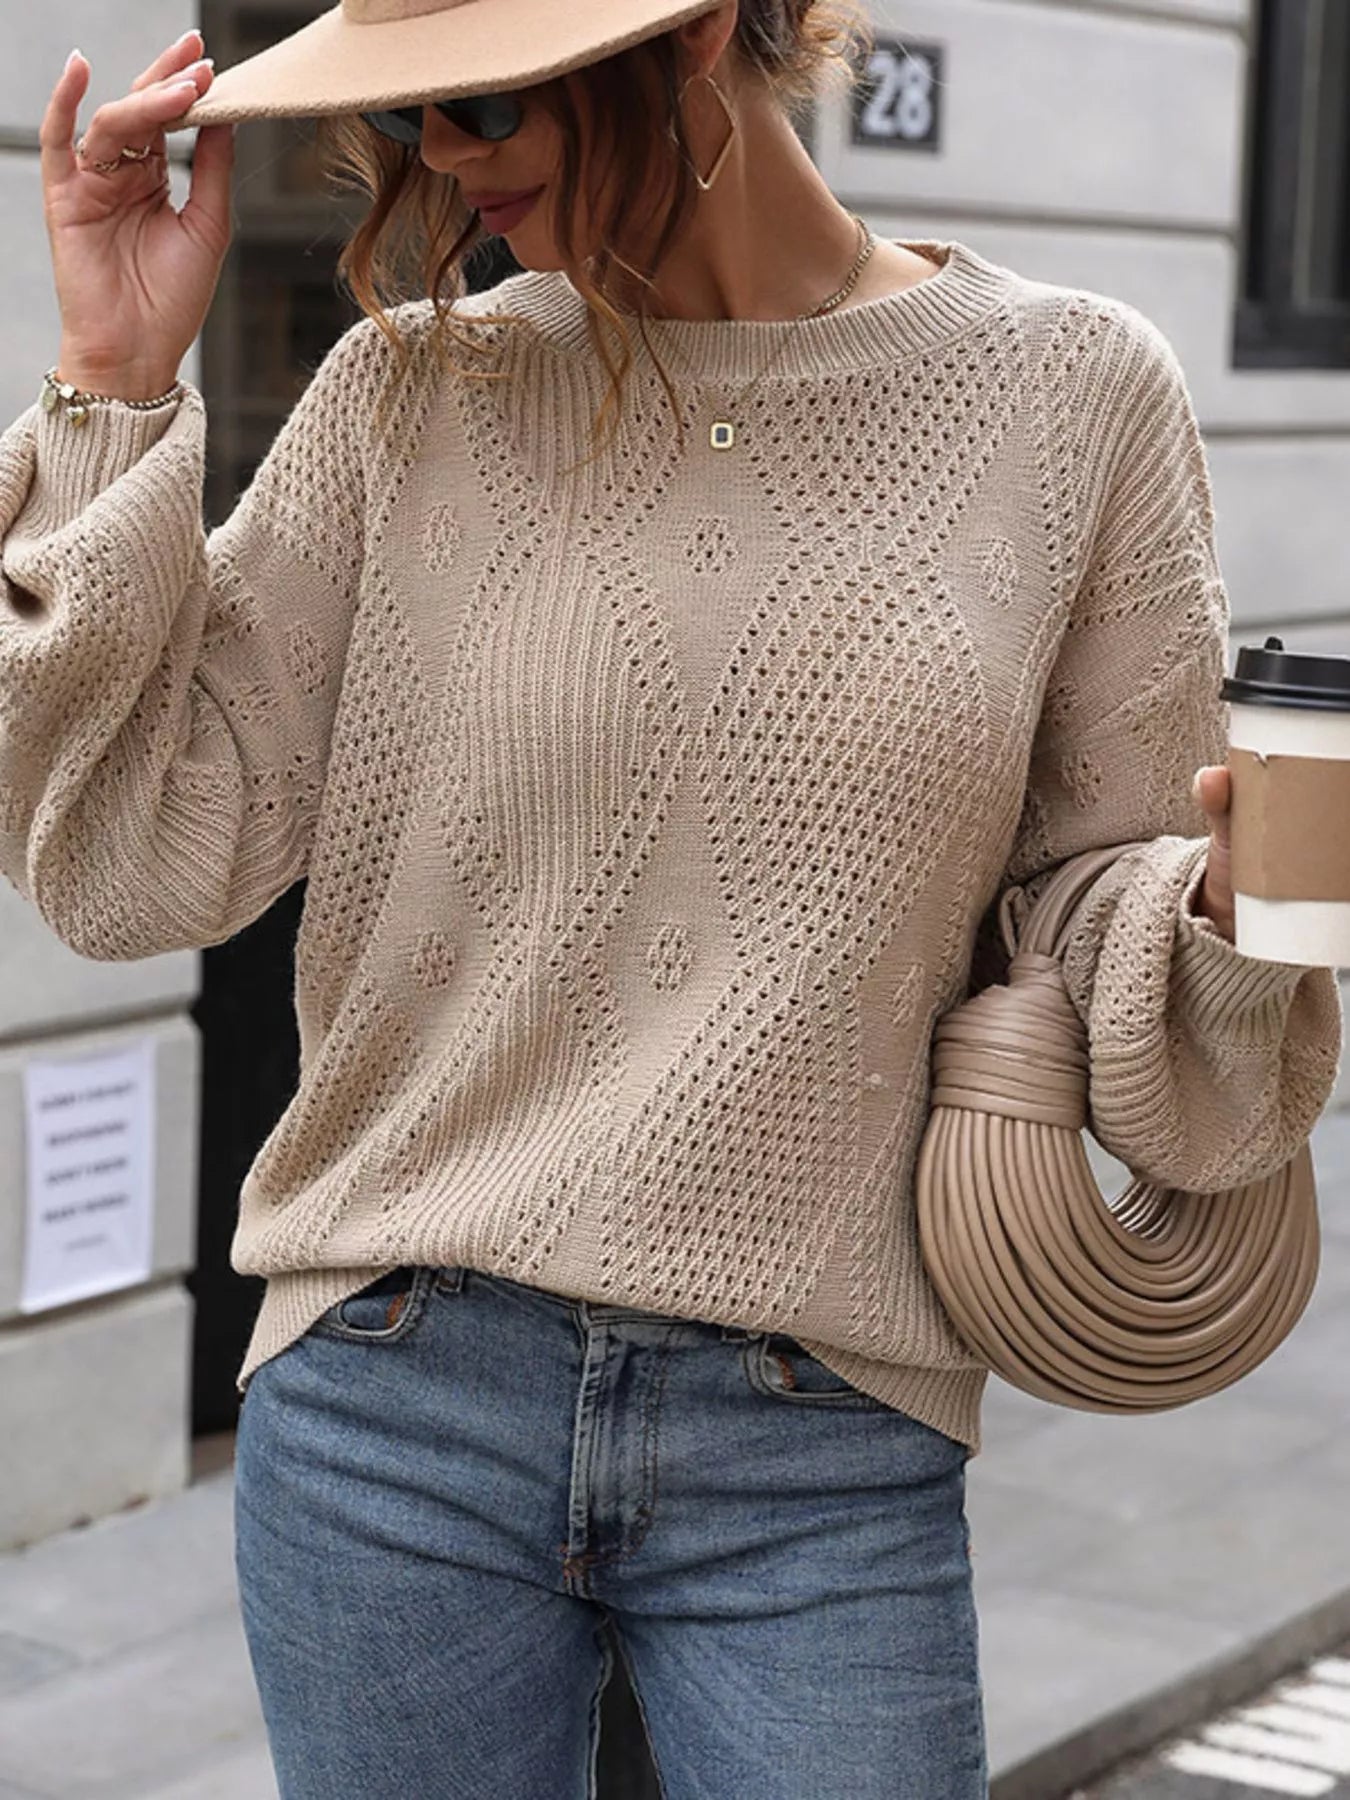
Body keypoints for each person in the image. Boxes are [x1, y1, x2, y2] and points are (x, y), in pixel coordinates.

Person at [1, 2, 1341, 1795]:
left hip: (818, 1430)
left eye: (484, 101)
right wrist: (111, 377)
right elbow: (129, 855)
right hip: (398, 1394)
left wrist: (1232, 912)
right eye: (409, 119)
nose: (442, 161)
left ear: (698, 33)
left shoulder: (1072, 393)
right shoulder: (410, 394)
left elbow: (1092, 882)